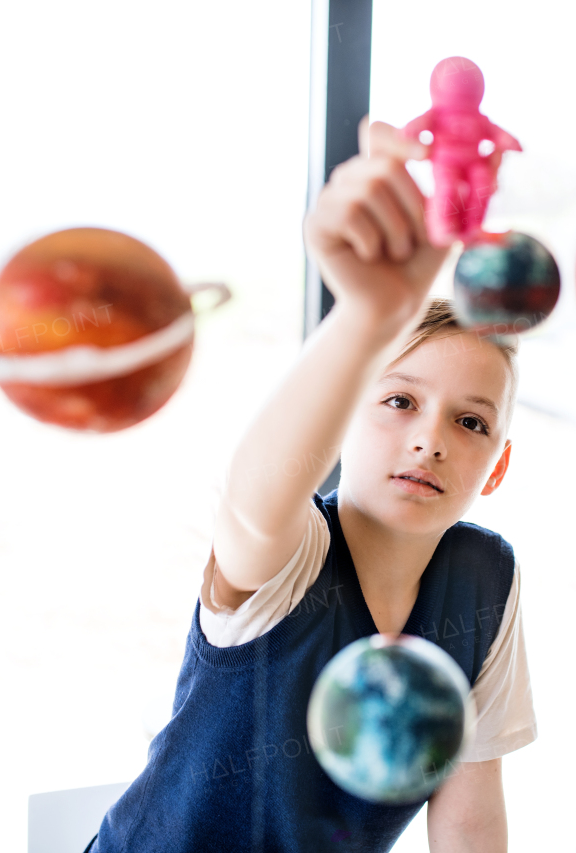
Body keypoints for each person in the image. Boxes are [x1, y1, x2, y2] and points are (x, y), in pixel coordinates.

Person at [88, 119, 535, 853]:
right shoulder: (290, 559)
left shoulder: (486, 578)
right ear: (343, 421)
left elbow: (470, 808)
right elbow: (252, 494)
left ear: (499, 465)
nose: (430, 438)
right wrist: (367, 318)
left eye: (471, 423)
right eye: (398, 401)